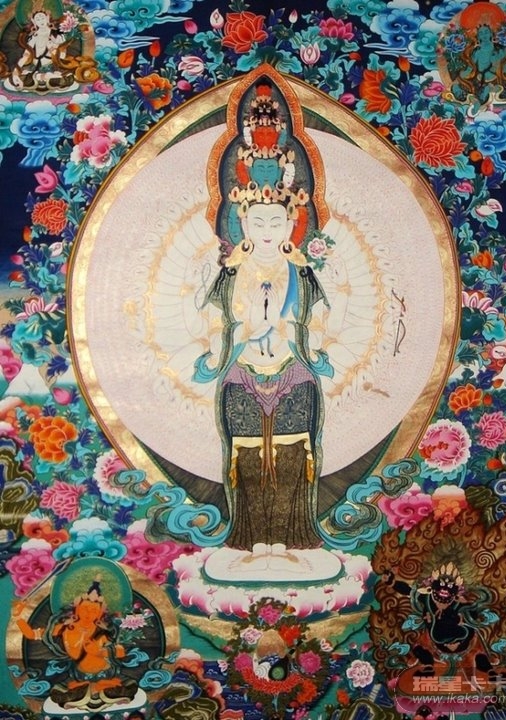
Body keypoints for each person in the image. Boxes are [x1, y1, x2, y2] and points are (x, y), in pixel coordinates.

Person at [194, 75, 335, 574]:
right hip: (244, 371)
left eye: (277, 222)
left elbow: (318, 322)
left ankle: (293, 537)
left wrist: (300, 336)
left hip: (293, 371)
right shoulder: (231, 274)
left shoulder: (302, 272)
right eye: (258, 222)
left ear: (292, 223)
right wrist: (237, 336)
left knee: (295, 456)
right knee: (248, 457)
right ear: (242, 225)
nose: (269, 230)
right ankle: (251, 539)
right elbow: (213, 321)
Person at [13, 577, 138, 709]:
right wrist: (17, 616)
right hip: (79, 676)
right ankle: (90, 692)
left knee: (130, 687)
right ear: (76, 608)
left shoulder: (103, 629)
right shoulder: (64, 628)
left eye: (94, 611)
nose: (88, 614)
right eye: (85, 608)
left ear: (100, 613)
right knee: (57, 694)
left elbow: (121, 651)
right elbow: (31, 635)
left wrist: (100, 652)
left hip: (106, 673)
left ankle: (100, 691)